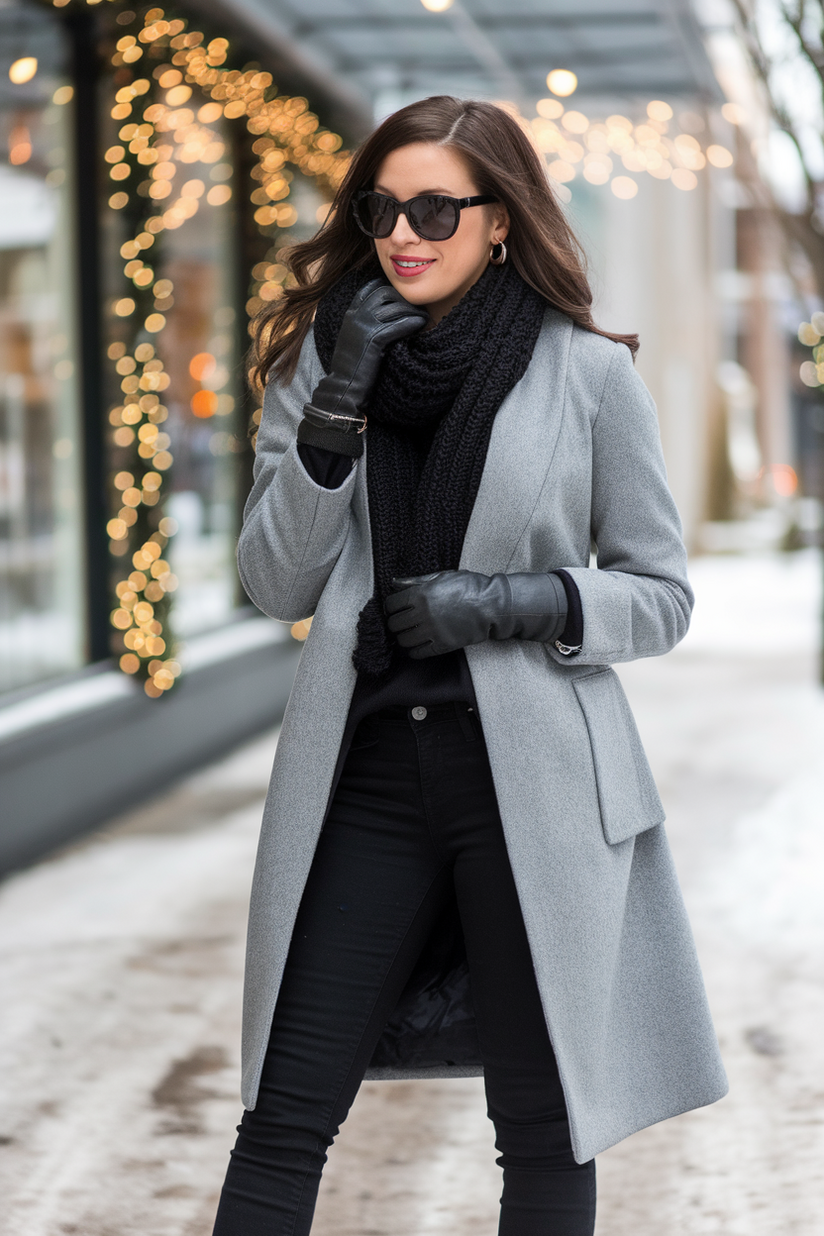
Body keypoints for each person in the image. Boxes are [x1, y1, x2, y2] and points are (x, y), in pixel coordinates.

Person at [212, 96, 727, 1236]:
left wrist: (513, 601)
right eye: (383, 207)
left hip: (535, 785)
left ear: (500, 221)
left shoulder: (585, 374)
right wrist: (338, 404)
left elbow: (660, 592)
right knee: (282, 1114)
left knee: (544, 1128)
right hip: (366, 778)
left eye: (436, 208)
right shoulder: (317, 367)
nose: (405, 233)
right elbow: (276, 584)